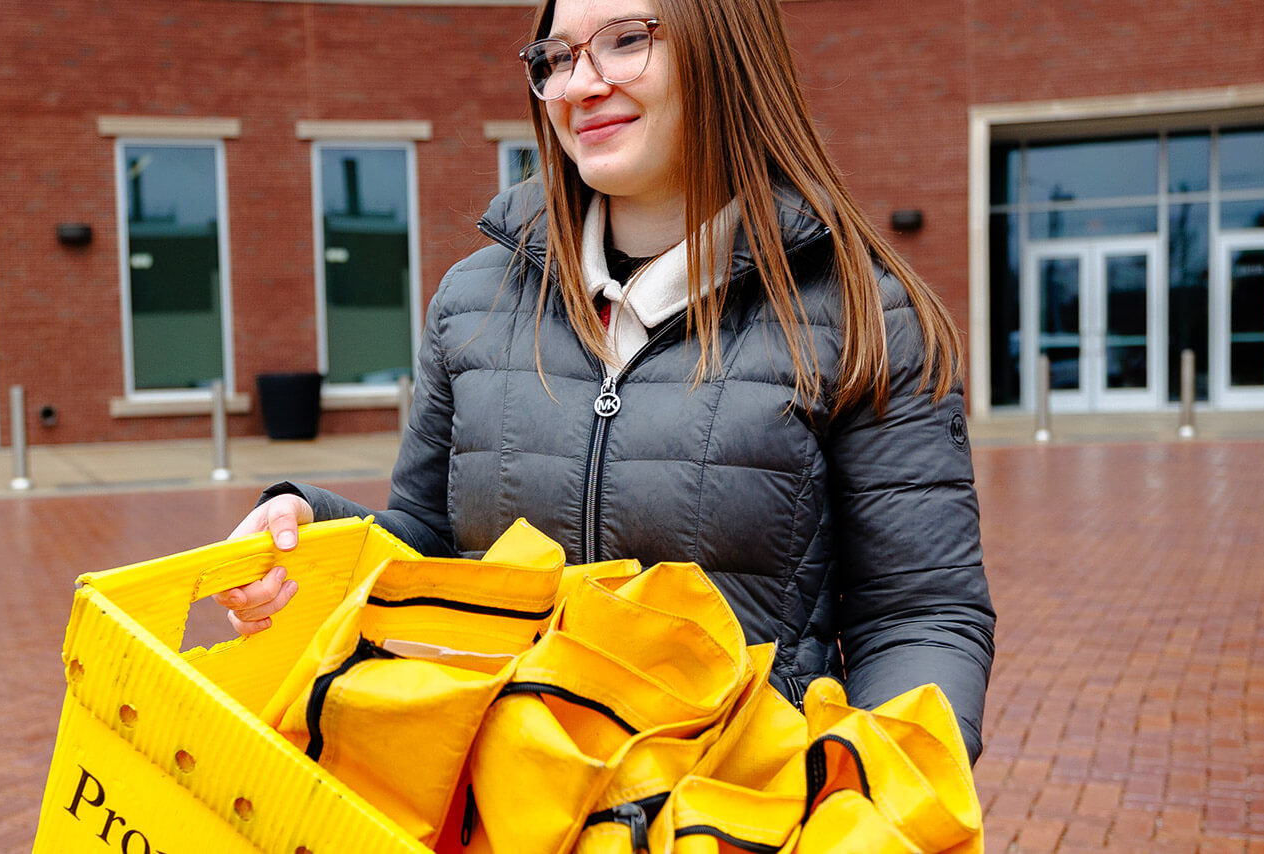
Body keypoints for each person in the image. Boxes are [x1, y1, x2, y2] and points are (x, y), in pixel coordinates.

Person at [218, 0, 995, 760]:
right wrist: (315, 528)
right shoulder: (473, 300)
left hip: (732, 821)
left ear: (723, 51)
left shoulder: (863, 314)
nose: (577, 85)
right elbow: (438, 550)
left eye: (625, 41)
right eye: (555, 58)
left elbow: (918, 616)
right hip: (512, 810)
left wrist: (880, 795)